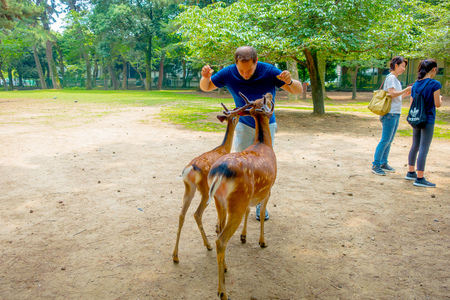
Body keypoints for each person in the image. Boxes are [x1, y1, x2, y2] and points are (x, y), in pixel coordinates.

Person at [200, 46, 303, 220]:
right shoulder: (228, 73)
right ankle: (241, 200)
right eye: (241, 70)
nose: (245, 74)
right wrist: (205, 77)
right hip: (244, 125)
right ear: (235, 64)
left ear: (256, 62)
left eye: (249, 70)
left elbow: (297, 90)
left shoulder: (269, 71)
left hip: (266, 126)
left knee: (264, 167)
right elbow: (206, 87)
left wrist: (290, 81)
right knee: (241, 166)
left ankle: (261, 206)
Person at [406, 59, 443, 188]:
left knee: (415, 145)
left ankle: (411, 172)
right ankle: (420, 178)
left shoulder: (415, 84)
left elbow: (411, 104)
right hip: (428, 119)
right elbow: (437, 104)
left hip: (416, 118)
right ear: (433, 69)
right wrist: (441, 99)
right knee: (423, 148)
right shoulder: (435, 84)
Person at [372, 56, 411, 176]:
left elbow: (395, 97)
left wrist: (405, 93)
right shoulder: (392, 78)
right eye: (402, 66)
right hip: (390, 113)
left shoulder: (396, 80)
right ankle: (376, 164)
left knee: (389, 140)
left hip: (395, 112)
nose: (404, 69)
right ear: (396, 65)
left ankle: (383, 162)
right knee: (385, 140)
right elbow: (392, 93)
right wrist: (405, 90)